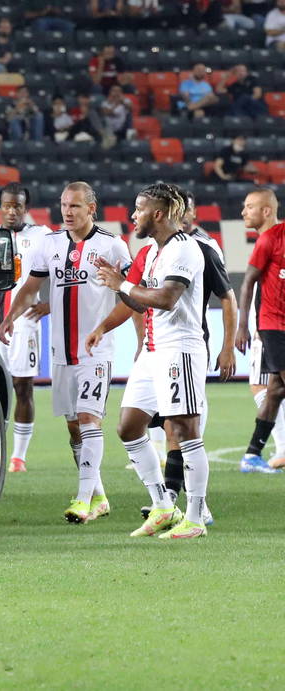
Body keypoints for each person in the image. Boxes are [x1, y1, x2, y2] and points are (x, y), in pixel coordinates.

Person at [2, 182, 129, 523]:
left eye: (75, 206)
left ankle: (83, 500)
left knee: (89, 420)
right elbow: (30, 287)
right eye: (64, 205)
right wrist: (9, 319)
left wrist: (122, 331)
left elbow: (134, 296)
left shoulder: (113, 246)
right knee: (74, 428)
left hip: (95, 351)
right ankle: (99, 497)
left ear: (92, 208)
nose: (68, 212)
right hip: (61, 352)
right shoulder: (51, 244)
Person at [89, 184, 209, 539]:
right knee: (129, 427)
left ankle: (196, 518)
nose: (132, 216)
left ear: (158, 214)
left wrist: (122, 284)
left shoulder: (185, 250)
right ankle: (162, 506)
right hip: (153, 351)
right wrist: (119, 286)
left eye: (138, 209)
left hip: (179, 349)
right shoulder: (154, 251)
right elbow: (142, 302)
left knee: (185, 432)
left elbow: (167, 299)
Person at [0, 186, 47, 474]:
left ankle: (18, 457)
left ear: (26, 208)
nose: (12, 211)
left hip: (26, 324)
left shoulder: (42, 236)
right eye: (7, 206)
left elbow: (61, 276)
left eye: (17, 207)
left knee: (23, 386)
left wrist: (51, 305)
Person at [234, 186, 285, 474]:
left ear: (266, 210)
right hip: (273, 326)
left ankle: (252, 454)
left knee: (276, 390)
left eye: (249, 206)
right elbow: (248, 283)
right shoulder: (268, 240)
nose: (243, 212)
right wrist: (244, 326)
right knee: (272, 388)